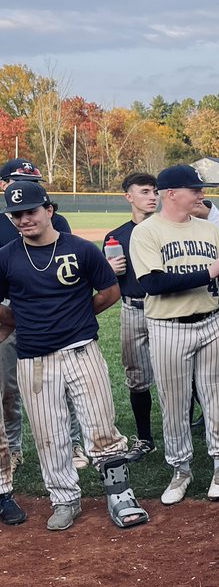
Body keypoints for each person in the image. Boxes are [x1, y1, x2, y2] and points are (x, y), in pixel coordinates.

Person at [0, 180, 149, 530]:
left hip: (81, 350)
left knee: (100, 425)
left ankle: (120, 494)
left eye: (31, 211)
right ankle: (64, 499)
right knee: (49, 433)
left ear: (49, 210)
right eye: (16, 214)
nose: (24, 219)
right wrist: (21, 319)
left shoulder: (81, 249)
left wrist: (78, 317)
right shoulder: (6, 257)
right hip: (34, 359)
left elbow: (110, 291)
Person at [129, 165, 219, 505]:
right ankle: (181, 468)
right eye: (194, 189)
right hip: (168, 326)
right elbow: (154, 284)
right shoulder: (147, 232)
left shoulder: (210, 230)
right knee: (174, 401)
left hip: (212, 320)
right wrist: (208, 271)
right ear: (171, 193)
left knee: (217, 396)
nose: (200, 194)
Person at [0, 158, 75, 474]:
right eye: (19, 180)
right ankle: (12, 450)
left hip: (50, 312)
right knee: (6, 388)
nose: (30, 187)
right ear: (3, 184)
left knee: (66, 382)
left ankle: (73, 445)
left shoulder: (57, 221)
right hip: (7, 313)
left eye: (35, 181)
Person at [102, 172, 160, 463]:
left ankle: (185, 427)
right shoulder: (116, 236)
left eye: (155, 191)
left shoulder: (167, 229)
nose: (152, 196)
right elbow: (103, 283)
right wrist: (108, 270)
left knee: (179, 374)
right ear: (129, 196)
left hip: (164, 308)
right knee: (136, 377)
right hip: (132, 308)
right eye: (145, 191)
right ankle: (145, 437)